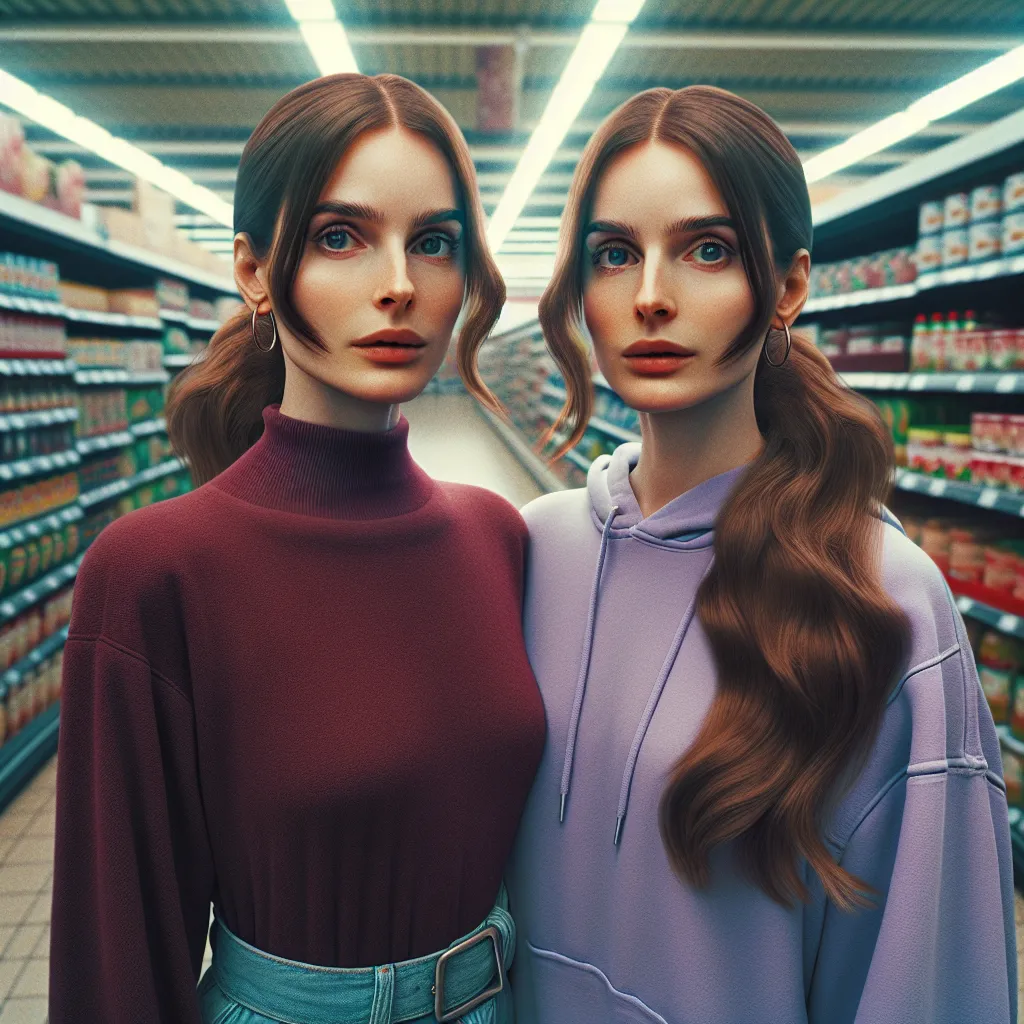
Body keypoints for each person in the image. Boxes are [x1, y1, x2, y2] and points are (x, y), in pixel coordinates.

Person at [506, 85, 1016, 1024]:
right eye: (615, 254)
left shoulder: (883, 598)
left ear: (787, 287)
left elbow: (927, 982)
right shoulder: (531, 550)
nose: (650, 296)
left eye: (708, 250)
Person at [49, 73, 545, 1024]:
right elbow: (117, 951)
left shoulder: (499, 539)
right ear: (253, 269)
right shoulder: (155, 570)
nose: (399, 283)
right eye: (339, 236)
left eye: (434, 242)